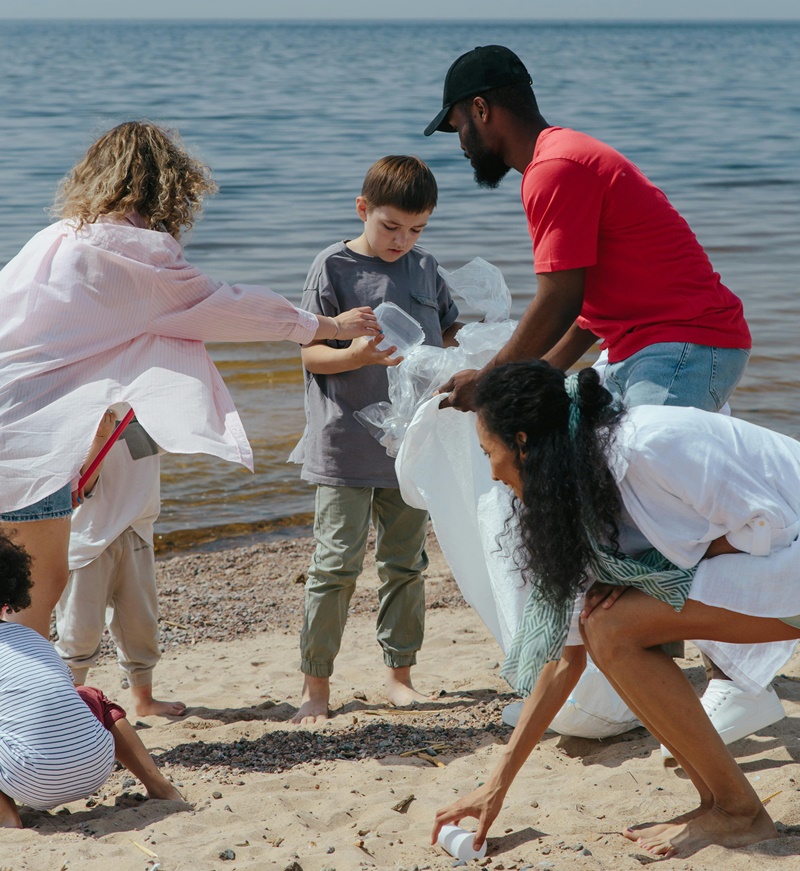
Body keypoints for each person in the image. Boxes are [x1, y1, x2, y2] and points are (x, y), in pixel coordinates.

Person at [423, 44, 781, 747]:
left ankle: (744, 684)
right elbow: (591, 311)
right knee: (617, 502)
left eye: (458, 127)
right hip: (658, 338)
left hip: (683, 342)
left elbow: (559, 297)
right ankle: (645, 666)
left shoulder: (553, 169)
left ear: (483, 110)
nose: (460, 144)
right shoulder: (565, 157)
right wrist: (537, 383)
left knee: (659, 504)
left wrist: (492, 380)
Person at [0, 120, 379, 639]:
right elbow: (224, 308)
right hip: (24, 449)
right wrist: (327, 325)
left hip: (13, 425)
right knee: (33, 597)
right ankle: (29, 715)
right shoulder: (135, 255)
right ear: (169, 186)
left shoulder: (54, 238)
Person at [432, 361, 800, 858]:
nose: (493, 473)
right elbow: (566, 657)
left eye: (488, 452)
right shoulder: (574, 490)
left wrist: (652, 567)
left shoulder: (649, 443)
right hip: (779, 572)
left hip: (787, 551)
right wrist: (495, 785)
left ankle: (736, 812)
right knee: (602, 625)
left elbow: (767, 525)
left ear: (522, 442)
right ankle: (721, 804)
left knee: (614, 623)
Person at [290, 156, 461, 724]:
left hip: (409, 446)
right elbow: (310, 352)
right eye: (391, 226)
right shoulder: (332, 267)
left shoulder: (424, 267)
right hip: (343, 444)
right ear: (363, 209)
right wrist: (356, 354)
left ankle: (399, 676)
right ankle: (316, 688)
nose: (402, 240)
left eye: (416, 229)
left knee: (406, 563)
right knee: (335, 565)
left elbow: (449, 334)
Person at [0, 532, 183, 829]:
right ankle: (160, 786)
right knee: (89, 695)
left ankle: (7, 817)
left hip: (31, 781)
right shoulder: (31, 638)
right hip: (98, 765)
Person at [55, 409, 185, 718]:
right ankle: (70, 708)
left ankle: (144, 699)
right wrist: (101, 436)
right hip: (88, 537)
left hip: (137, 529)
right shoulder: (82, 406)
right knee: (79, 631)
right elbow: (80, 487)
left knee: (140, 625)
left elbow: (178, 434)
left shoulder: (146, 404)